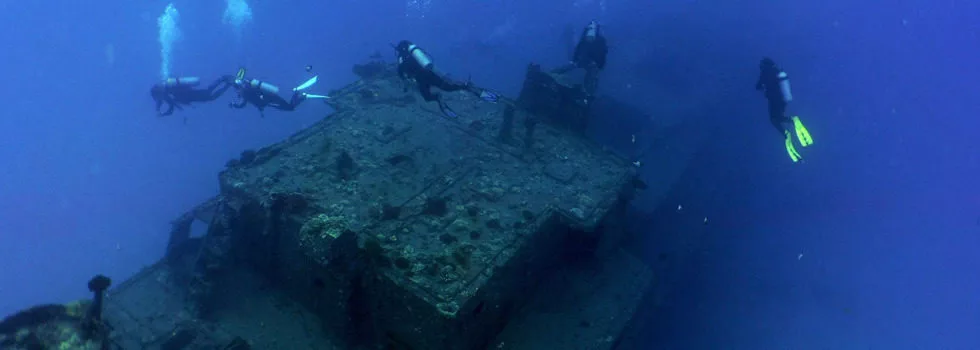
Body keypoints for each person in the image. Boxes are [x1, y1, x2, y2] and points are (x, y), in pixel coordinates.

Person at [394, 40, 498, 118]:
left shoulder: (401, 60)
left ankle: (439, 98)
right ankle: (469, 87)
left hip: (422, 80)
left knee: (428, 97)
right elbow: (428, 63)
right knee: (449, 87)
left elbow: (402, 75)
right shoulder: (413, 52)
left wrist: (406, 86)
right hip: (431, 74)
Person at [755, 57, 813, 162]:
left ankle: (786, 131)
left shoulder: (765, 72)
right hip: (783, 100)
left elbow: (757, 86)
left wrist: (762, 85)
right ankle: (791, 122)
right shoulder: (778, 71)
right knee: (778, 117)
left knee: (774, 119)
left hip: (774, 100)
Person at [228, 68, 327, 118]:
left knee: (290, 107)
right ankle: (298, 94)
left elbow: (243, 104)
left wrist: (234, 105)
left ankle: (301, 95)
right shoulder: (245, 88)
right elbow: (252, 99)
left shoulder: (244, 91)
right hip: (270, 98)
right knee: (289, 107)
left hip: (269, 100)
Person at [553, 20, 608, 101]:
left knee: (576, 68)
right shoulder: (600, 40)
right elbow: (602, 55)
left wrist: (575, 60)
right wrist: (599, 65)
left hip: (587, 60)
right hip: (588, 61)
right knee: (590, 75)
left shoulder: (590, 39)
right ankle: (587, 94)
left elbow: (579, 48)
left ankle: (553, 73)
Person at [151, 76, 234, 117]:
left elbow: (170, 109)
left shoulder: (168, 94)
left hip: (192, 95)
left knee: (209, 94)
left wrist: (162, 113)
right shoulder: (167, 94)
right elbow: (168, 107)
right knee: (209, 94)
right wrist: (161, 112)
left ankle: (224, 80)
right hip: (191, 96)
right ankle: (226, 82)